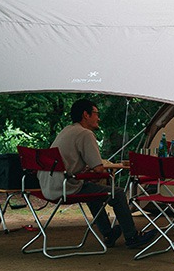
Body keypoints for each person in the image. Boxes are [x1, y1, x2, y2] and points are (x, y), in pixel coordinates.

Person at [37, 99, 155, 250]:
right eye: (96, 114)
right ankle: (132, 237)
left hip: (49, 186)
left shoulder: (67, 130)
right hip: (66, 187)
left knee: (92, 189)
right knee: (117, 193)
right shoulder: (85, 133)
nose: (98, 118)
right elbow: (99, 169)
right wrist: (106, 172)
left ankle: (108, 233)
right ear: (86, 115)